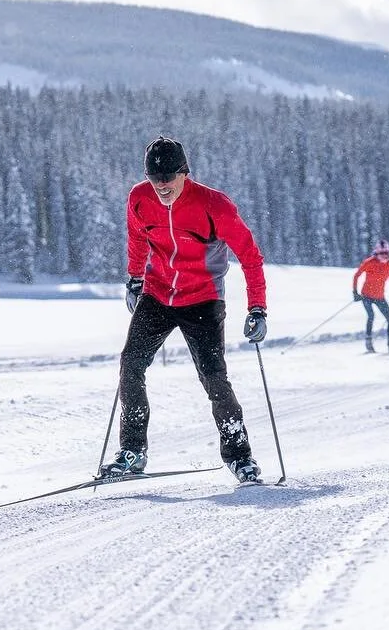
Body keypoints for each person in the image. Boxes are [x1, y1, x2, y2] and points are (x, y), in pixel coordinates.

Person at [102, 136, 269, 484]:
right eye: (154, 177)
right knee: (131, 363)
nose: (161, 185)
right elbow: (136, 238)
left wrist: (257, 308)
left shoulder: (215, 206)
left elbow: (250, 257)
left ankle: (240, 457)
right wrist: (135, 279)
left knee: (213, 378)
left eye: (169, 177)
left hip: (203, 299)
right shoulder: (139, 198)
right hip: (158, 293)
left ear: (184, 172)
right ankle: (132, 451)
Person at [351, 240, 389, 354]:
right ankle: (369, 342)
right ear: (376, 252)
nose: (384, 255)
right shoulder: (369, 262)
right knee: (371, 316)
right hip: (366, 296)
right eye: (381, 253)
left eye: (386, 253)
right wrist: (355, 292)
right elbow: (356, 275)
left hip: (380, 297)